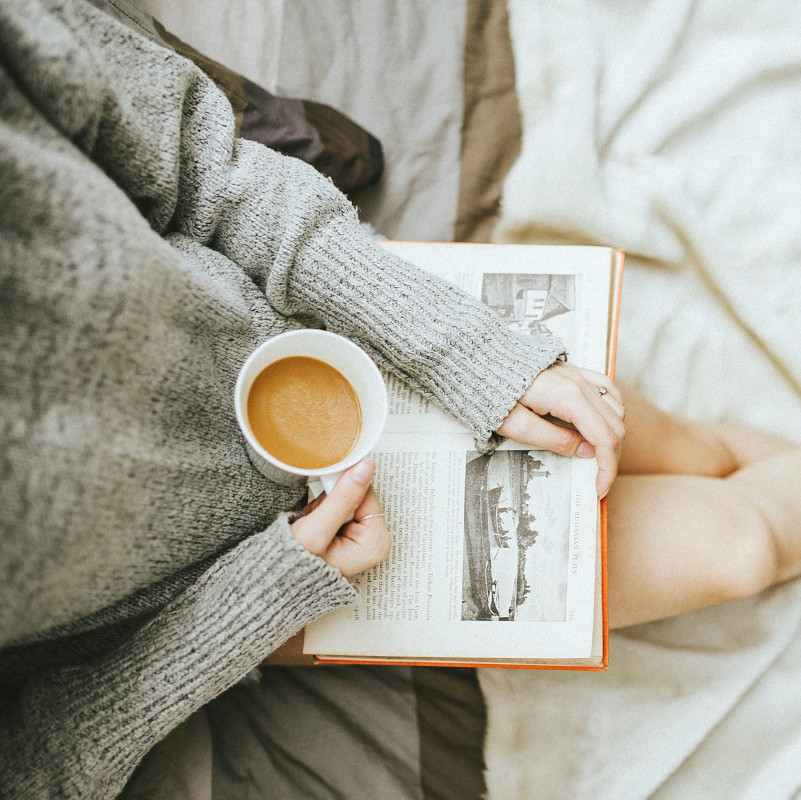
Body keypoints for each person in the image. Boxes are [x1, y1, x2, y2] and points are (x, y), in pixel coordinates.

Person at [1, 1, 800, 798]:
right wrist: (247, 609)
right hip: (242, 582)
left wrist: (472, 352)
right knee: (738, 548)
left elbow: (193, 156)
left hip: (339, 338)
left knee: (681, 447)